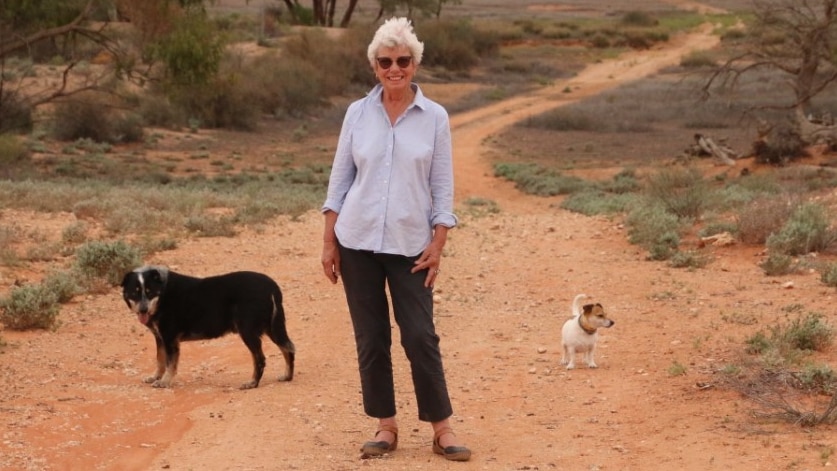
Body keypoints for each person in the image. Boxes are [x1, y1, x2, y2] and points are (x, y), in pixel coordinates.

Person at [320, 16, 471, 462]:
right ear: (374, 65)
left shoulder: (435, 117)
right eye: (385, 61)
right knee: (371, 337)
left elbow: (443, 189)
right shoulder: (357, 113)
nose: (394, 68)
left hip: (411, 246)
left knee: (420, 335)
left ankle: (442, 428)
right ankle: (385, 427)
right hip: (357, 241)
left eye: (403, 60)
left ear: (415, 64)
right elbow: (339, 182)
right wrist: (329, 242)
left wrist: (439, 244)